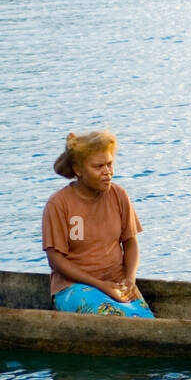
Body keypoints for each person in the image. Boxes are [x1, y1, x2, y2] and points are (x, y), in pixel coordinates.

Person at [41, 130, 155, 318]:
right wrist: (101, 286)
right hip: (73, 289)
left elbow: (130, 242)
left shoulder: (119, 195)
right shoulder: (59, 204)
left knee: (146, 321)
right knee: (114, 317)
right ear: (78, 170)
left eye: (109, 164)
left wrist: (129, 279)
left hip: (117, 285)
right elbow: (56, 260)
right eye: (98, 166)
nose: (107, 172)